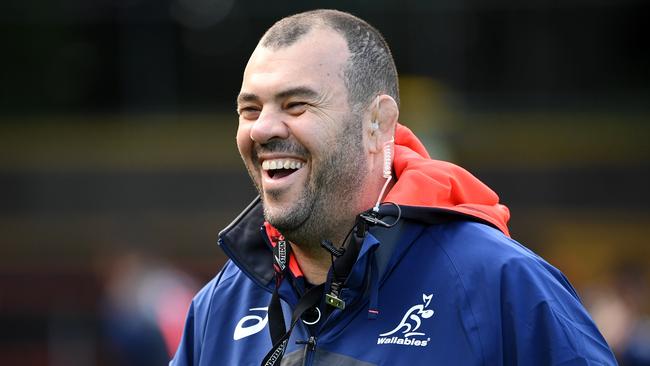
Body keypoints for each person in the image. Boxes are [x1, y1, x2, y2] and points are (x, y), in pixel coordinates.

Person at [171, 9, 617, 365]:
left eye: (297, 104)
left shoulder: (498, 284)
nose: (263, 128)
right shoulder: (218, 305)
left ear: (376, 124)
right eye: (249, 109)